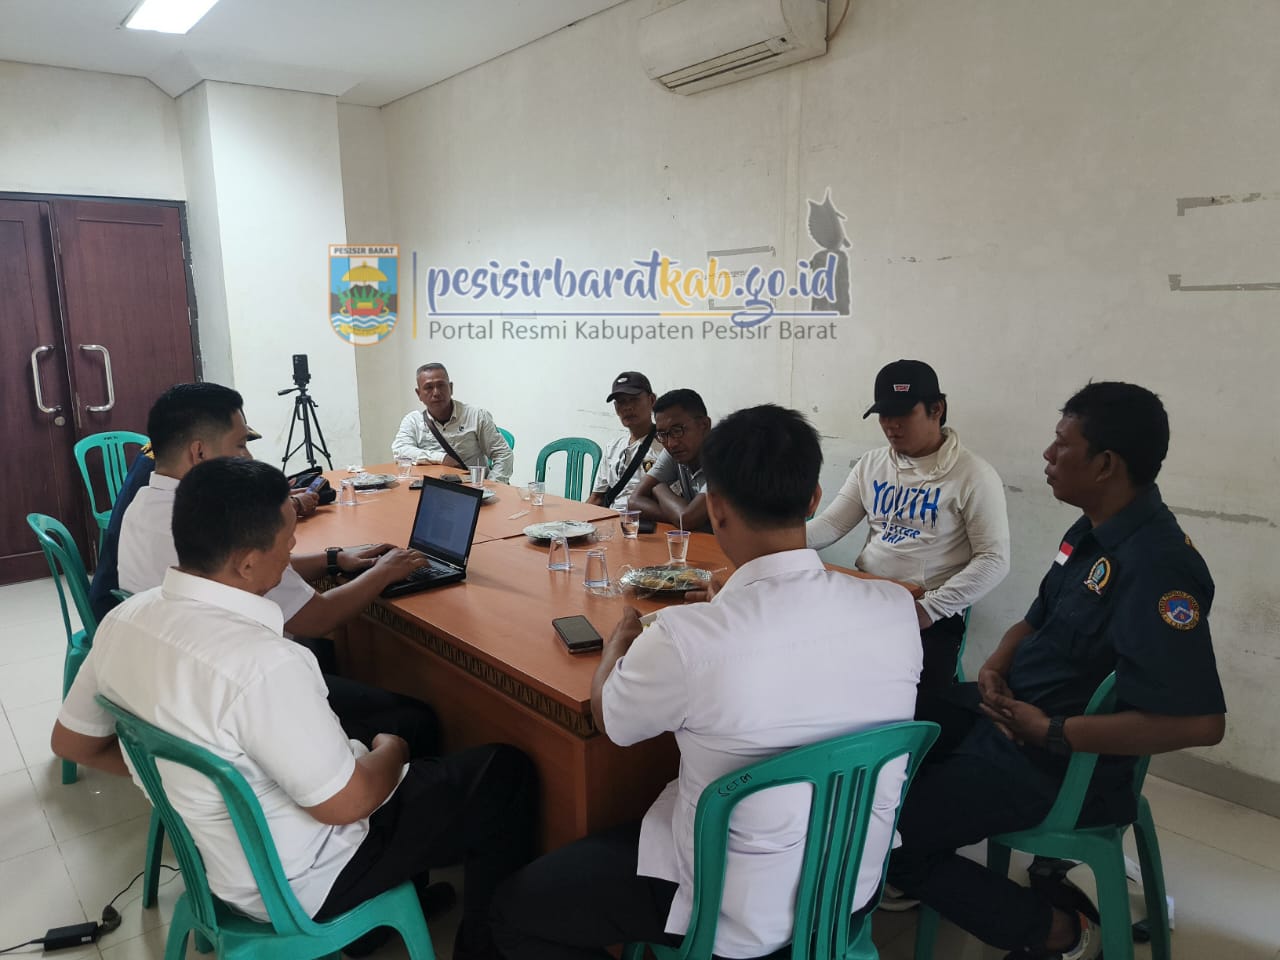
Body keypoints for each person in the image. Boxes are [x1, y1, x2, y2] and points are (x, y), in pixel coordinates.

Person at [52, 458, 536, 959]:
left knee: (401, 727)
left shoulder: (125, 619)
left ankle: (379, 922)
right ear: (245, 562)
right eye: (285, 539)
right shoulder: (264, 662)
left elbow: (72, 742)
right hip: (306, 879)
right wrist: (392, 751)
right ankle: (482, 949)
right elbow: (347, 805)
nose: (291, 548)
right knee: (504, 771)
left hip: (223, 865)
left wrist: (174, 778)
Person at [490, 404, 923, 960]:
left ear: (714, 509)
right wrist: (727, 607)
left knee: (513, 911)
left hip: (731, 910)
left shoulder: (686, 637)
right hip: (850, 887)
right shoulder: (895, 608)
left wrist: (618, 645)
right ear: (814, 499)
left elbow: (612, 721)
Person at [886, 382, 1227, 960]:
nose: (1047, 455)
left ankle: (1061, 934)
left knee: (883, 837)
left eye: (1062, 444)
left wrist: (1051, 730)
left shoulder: (1158, 567)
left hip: (1056, 763)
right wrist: (997, 662)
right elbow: (1037, 619)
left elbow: (1200, 724)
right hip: (1009, 717)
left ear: (1105, 464)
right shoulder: (1090, 530)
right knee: (892, 723)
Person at [117, 382, 439, 754]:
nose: (248, 456)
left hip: (182, 687)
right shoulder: (217, 522)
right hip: (239, 697)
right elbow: (318, 617)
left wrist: (333, 559)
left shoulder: (145, 503)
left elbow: (254, 569)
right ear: (200, 452)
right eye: (241, 444)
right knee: (415, 717)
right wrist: (384, 571)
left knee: (327, 655)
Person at [807, 359, 1010, 691]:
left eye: (902, 414)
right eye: (884, 415)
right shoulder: (871, 464)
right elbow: (831, 524)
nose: (891, 425)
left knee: (912, 698)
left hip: (931, 611)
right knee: (820, 671)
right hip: (868, 594)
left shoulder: (974, 475)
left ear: (936, 409)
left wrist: (928, 610)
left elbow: (994, 559)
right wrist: (774, 543)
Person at [392, 363, 514, 483]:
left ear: (451, 388)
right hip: (431, 487)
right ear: (419, 394)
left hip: (472, 487)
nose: (436, 393)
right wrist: (441, 458)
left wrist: (493, 485)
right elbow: (400, 451)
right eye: (429, 387)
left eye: (441, 385)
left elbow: (503, 454)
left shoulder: (476, 415)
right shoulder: (413, 421)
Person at [626, 389, 711, 532]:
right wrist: (677, 516)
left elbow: (686, 520)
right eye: (662, 434)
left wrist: (659, 488)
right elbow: (633, 501)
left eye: (677, 431)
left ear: (704, 425)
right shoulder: (675, 452)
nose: (671, 443)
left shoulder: (726, 460)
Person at [587, 371, 661, 510]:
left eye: (634, 399)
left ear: (652, 400)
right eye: (621, 402)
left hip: (646, 520)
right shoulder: (612, 447)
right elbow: (597, 498)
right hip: (611, 519)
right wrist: (577, 521)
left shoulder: (665, 447)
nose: (627, 407)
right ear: (615, 407)